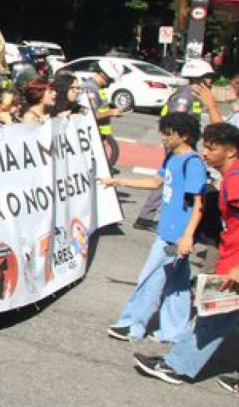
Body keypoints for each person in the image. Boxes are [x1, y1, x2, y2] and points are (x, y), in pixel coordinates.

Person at [133, 124, 239, 386]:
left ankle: (176, 366)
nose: (205, 153)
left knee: (212, 318)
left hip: (234, 263)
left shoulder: (236, 181)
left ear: (231, 152)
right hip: (230, 255)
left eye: (211, 149)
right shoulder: (231, 176)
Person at [99, 112, 205, 344]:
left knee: (150, 278)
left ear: (184, 135)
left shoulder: (192, 163)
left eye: (168, 134)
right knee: (176, 285)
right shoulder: (172, 158)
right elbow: (156, 182)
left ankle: (131, 325)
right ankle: (174, 331)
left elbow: (199, 203)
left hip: (175, 236)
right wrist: (118, 181)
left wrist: (186, 236)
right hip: (171, 232)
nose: (163, 138)